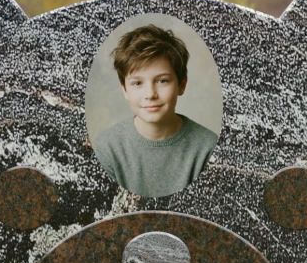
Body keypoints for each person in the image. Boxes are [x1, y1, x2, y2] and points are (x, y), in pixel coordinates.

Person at [92, 24, 218, 198]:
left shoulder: (208, 149)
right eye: (137, 83)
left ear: (182, 85)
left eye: (162, 81)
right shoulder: (106, 149)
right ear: (124, 90)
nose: (150, 94)